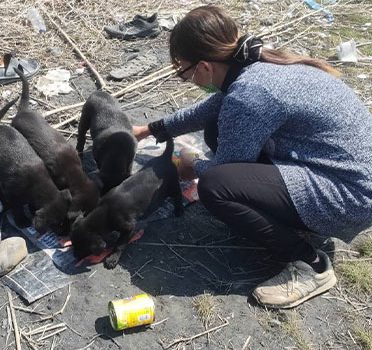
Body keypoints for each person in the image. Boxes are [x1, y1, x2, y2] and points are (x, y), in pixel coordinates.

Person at [133, 5, 372, 309]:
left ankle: (311, 265)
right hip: (338, 169)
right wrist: (149, 130)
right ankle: (288, 214)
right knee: (216, 133)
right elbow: (212, 109)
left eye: (183, 71)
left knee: (215, 187)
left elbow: (224, 170)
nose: (185, 78)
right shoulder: (254, 64)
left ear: (205, 67)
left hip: (348, 196)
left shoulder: (251, 94)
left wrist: (191, 166)